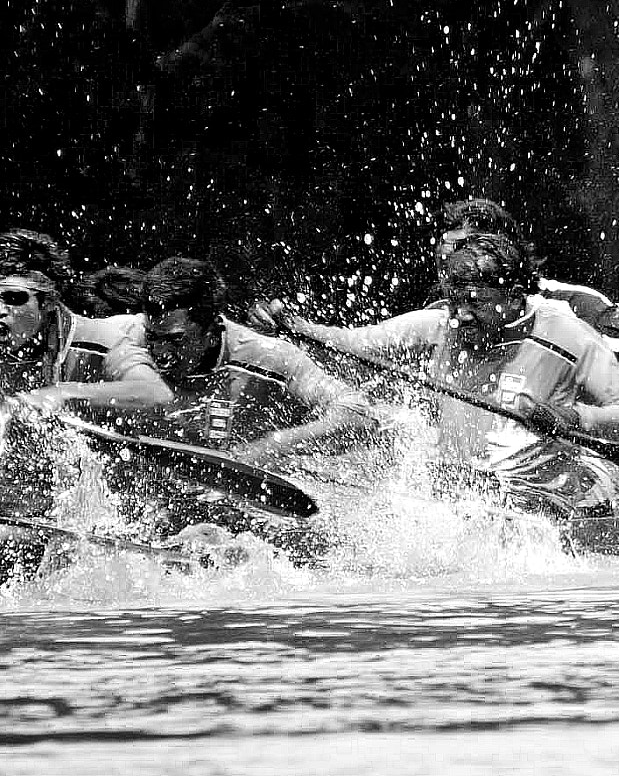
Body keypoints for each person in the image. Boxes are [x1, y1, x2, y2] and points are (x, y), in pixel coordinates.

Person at [267, 233, 619, 516]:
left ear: (514, 294)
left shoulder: (566, 333)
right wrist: (293, 327)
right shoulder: (440, 325)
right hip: (465, 492)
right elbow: (349, 347)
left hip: (550, 488)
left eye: (477, 303)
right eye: (455, 302)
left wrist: (572, 418)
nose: (461, 315)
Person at [1, 230, 175, 570]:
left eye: (14, 298)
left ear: (48, 301)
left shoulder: (102, 340)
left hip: (95, 504)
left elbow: (155, 394)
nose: (0, 310)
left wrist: (66, 392)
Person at [136, 258, 376, 462]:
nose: (160, 353)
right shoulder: (130, 343)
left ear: (211, 333)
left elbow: (357, 415)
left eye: (176, 339)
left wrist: (269, 448)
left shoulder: (270, 357)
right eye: (151, 336)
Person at [435, 198, 619, 376]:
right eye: (444, 256)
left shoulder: (571, 302)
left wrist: (549, 351)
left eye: (463, 250)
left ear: (502, 250)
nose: (450, 263)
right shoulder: (444, 310)